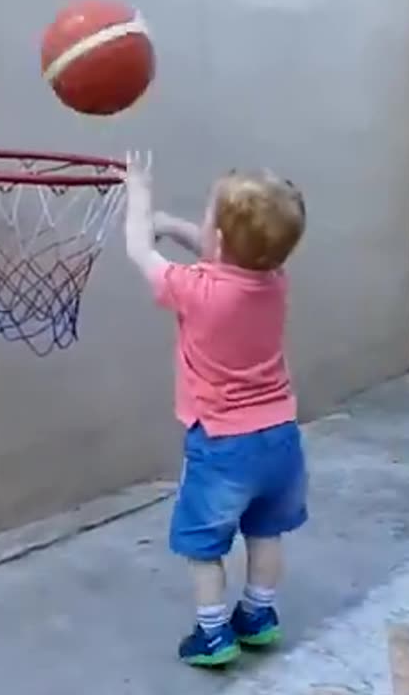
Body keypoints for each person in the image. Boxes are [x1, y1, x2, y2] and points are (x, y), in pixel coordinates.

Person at [121, 152, 309, 667]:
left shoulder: (197, 291)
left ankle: (212, 634)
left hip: (223, 443)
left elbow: (138, 250)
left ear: (220, 241)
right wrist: (170, 225)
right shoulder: (273, 282)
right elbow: (219, 251)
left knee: (203, 542)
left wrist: (140, 198)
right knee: (265, 531)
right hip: (280, 438)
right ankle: (257, 615)